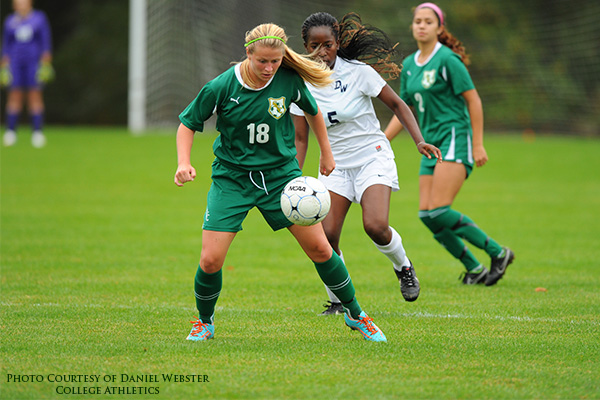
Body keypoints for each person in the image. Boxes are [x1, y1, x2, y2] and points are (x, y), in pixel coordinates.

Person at [174, 22, 387, 342]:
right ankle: (204, 322)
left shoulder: (288, 80)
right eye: (262, 61)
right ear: (248, 54)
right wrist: (184, 162)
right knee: (210, 259)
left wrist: (327, 154)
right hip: (232, 180)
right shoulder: (221, 87)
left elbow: (313, 112)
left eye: (275, 61)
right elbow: (188, 123)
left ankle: (357, 315)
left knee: (321, 248)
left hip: (281, 180)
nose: (269, 68)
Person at [291, 12, 441, 315]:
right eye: (315, 46)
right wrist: (294, 176)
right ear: (305, 46)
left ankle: (404, 268)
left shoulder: (358, 72)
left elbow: (398, 104)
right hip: (334, 165)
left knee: (375, 226)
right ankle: (338, 301)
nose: (323, 52)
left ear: (337, 42)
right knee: (327, 237)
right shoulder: (300, 83)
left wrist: (419, 140)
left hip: (372, 156)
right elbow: (300, 137)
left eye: (328, 44)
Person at [384, 2, 514, 286]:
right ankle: (474, 268)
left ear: (439, 28)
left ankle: (498, 252)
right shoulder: (409, 65)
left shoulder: (448, 60)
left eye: (428, 21)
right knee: (427, 216)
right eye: (417, 20)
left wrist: (477, 145)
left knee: (439, 209)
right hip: (431, 145)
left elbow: (473, 100)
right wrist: (383, 140)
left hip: (455, 137)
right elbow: (404, 108)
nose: (421, 25)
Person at [1, 0, 54, 148]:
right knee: (14, 95)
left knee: (34, 95)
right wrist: (4, 65)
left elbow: (45, 41)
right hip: (15, 63)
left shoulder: (39, 18)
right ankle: (11, 132)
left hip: (33, 62)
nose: (20, 4)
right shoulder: (10, 21)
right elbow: (6, 44)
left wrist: (45, 62)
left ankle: (37, 132)